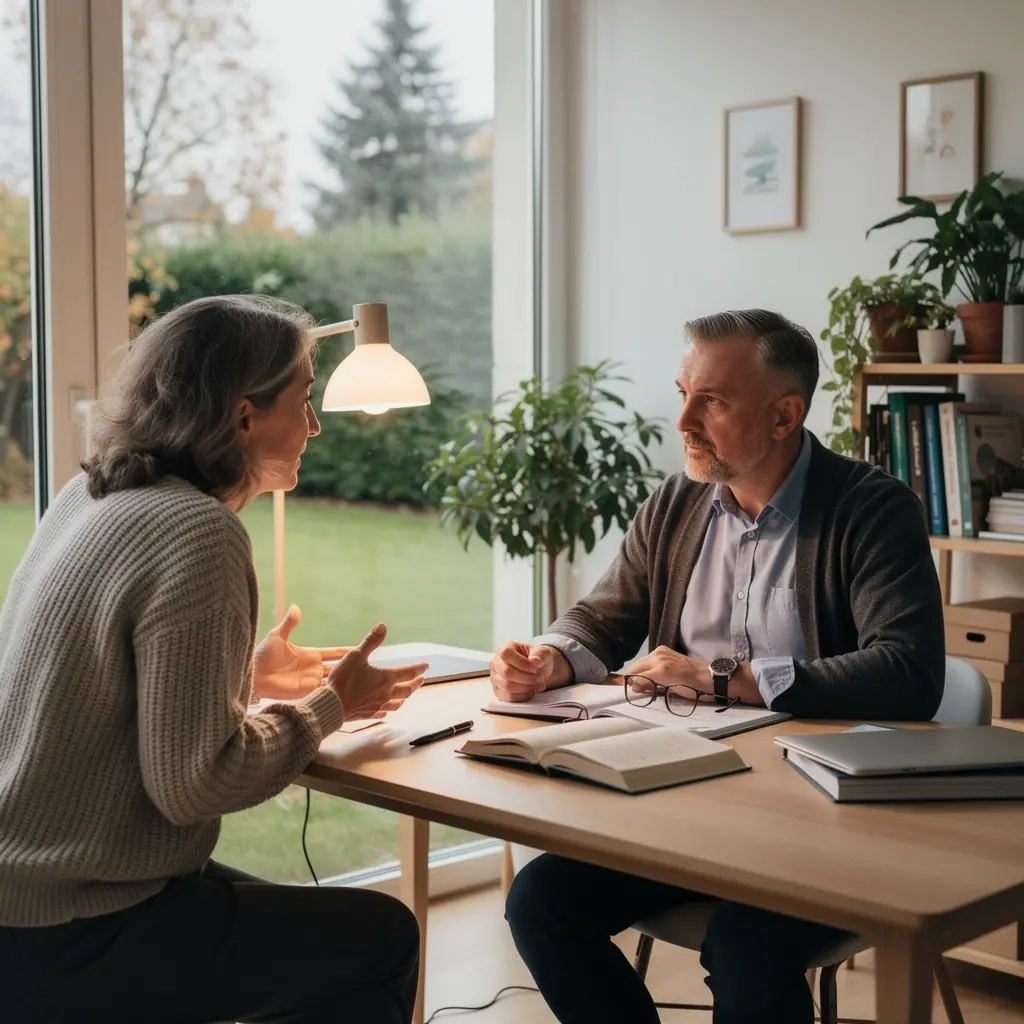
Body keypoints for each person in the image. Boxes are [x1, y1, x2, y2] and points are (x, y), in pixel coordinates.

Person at [491, 309, 945, 1024]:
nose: (683, 421)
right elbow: (606, 616)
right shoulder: (676, 501)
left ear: (783, 416)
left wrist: (725, 677)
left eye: (713, 401)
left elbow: (909, 673)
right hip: (681, 805)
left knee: (745, 943)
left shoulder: (872, 510)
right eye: (683, 392)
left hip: (820, 821)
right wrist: (550, 658)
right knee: (539, 903)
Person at [0, 295, 428, 1024]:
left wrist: (244, 677)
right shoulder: (199, 533)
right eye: (305, 402)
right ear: (243, 417)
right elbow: (195, 784)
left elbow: (83, 685)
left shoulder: (92, 494)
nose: (316, 426)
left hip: (23, 901)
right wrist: (331, 707)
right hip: (77, 932)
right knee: (382, 939)